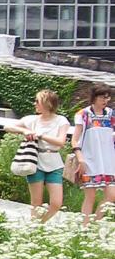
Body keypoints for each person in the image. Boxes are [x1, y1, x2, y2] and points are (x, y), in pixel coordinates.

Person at [7, 89, 70, 222]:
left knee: (56, 203)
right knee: (36, 202)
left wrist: (40, 135)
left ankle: (41, 223)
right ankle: (34, 227)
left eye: (37, 101)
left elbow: (60, 142)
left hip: (54, 162)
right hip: (35, 162)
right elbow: (7, 126)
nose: (34, 104)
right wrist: (24, 130)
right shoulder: (31, 120)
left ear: (46, 103)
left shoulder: (61, 120)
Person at [72, 84, 115, 224]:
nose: (105, 100)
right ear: (94, 97)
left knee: (111, 195)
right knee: (90, 196)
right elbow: (75, 139)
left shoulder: (111, 114)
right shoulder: (83, 114)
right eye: (103, 97)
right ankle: (84, 228)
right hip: (89, 161)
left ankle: (94, 224)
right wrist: (81, 159)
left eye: (107, 97)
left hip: (108, 161)